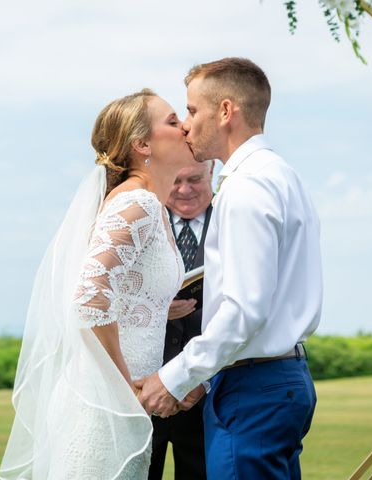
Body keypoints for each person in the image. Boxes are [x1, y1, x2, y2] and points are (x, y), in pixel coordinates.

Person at [136, 58, 323, 479]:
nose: (185, 124)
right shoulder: (282, 175)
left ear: (225, 112)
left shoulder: (246, 187)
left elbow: (244, 310)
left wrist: (175, 377)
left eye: (192, 110)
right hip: (273, 379)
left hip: (254, 390)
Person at [0, 88, 196, 479]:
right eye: (172, 121)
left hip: (122, 401)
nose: (186, 126)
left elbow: (120, 293)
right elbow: (89, 300)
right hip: (104, 403)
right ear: (142, 144)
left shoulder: (150, 203)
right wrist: (127, 388)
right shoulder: (136, 203)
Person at [149, 160, 214, 480]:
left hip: (208, 397)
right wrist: (155, 308)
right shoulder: (143, 222)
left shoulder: (233, 221)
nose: (185, 190)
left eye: (195, 179)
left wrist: (201, 382)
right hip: (145, 390)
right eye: (176, 180)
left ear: (212, 172)